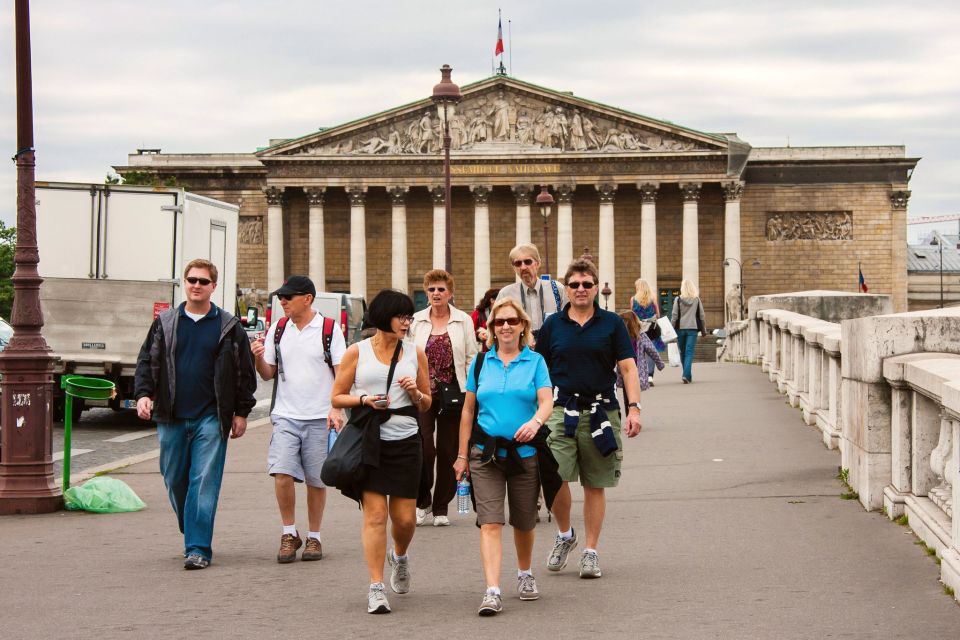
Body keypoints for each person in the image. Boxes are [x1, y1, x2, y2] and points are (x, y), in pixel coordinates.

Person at [134, 259, 256, 570]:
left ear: (214, 286)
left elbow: (244, 373)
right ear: (185, 283)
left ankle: (198, 548)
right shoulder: (166, 323)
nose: (196, 285)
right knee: (174, 478)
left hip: (211, 417)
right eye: (192, 280)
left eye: (203, 281)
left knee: (204, 481)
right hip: (171, 414)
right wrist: (144, 394)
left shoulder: (228, 327)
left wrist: (241, 412)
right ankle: (192, 524)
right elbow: (147, 360)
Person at [535, 258, 643, 580]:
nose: (581, 289)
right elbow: (539, 370)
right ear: (565, 289)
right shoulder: (553, 324)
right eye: (574, 284)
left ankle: (591, 551)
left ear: (596, 287)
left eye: (587, 284)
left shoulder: (611, 324)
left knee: (595, 484)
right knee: (554, 478)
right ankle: (566, 534)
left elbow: (627, 368)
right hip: (560, 410)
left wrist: (634, 407)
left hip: (601, 411)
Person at [330, 289, 432, 614]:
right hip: (371, 442)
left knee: (404, 520)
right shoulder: (356, 352)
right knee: (375, 517)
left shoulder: (415, 353)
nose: (407, 321)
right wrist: (363, 400)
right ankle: (376, 586)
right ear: (384, 316)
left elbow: (428, 402)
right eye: (402, 316)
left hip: (406, 442)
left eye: (409, 317)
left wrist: (416, 392)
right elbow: (337, 396)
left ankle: (399, 556)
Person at [454, 299, 557, 616]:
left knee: (524, 522)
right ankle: (492, 590)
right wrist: (461, 456)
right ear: (492, 328)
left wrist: (535, 422)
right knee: (490, 522)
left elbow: (546, 400)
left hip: (525, 454)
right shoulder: (482, 363)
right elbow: (468, 410)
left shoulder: (535, 361)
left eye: (512, 321)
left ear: (523, 325)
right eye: (500, 322)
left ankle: (525, 574)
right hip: (485, 456)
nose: (506, 326)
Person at [250, 275, 346, 564]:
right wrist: (256, 357)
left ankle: (314, 536)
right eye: (281, 297)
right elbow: (268, 373)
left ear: (307, 299)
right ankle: (289, 532)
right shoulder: (278, 329)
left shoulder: (329, 329)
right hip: (285, 415)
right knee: (282, 473)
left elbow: (342, 371)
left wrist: (336, 408)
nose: (283, 302)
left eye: (288, 297)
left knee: (317, 481)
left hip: (319, 416)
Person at [410, 270, 479, 526]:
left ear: (450, 293)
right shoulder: (416, 321)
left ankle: (440, 508)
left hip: (454, 393)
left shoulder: (463, 321)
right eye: (431, 289)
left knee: (450, 451)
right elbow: (407, 354)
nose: (436, 294)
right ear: (426, 293)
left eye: (440, 289)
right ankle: (422, 500)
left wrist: (472, 389)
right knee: (424, 447)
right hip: (422, 394)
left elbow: (472, 356)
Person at [496, 243, 568, 340]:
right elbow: (497, 325)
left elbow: (569, 321)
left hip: (552, 349)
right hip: (520, 350)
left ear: (538, 263)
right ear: (514, 268)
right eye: (518, 263)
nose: (523, 267)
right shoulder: (505, 294)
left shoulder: (557, 289)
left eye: (527, 262)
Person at [618, 311, 664, 396]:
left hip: (623, 370)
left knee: (627, 392)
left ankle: (630, 407)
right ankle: (634, 406)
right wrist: (660, 364)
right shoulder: (641, 336)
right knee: (635, 394)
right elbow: (652, 350)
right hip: (637, 371)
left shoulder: (619, 337)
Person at [671, 279, 707, 384]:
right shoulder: (696, 299)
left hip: (680, 329)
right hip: (692, 328)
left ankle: (686, 375)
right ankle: (687, 375)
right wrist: (704, 330)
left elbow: (674, 315)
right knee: (689, 352)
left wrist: (671, 329)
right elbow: (702, 316)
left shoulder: (677, 299)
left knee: (683, 352)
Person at [631, 278, 665, 386]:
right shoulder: (653, 298)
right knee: (651, 352)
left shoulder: (633, 299)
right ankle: (650, 376)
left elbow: (632, 315)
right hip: (651, 329)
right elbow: (658, 314)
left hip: (639, 329)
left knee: (640, 352)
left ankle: (641, 375)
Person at [471, 287, 500, 352]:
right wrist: (478, 335)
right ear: (492, 300)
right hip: (484, 351)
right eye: (500, 298)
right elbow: (469, 332)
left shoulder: (504, 313)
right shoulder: (477, 313)